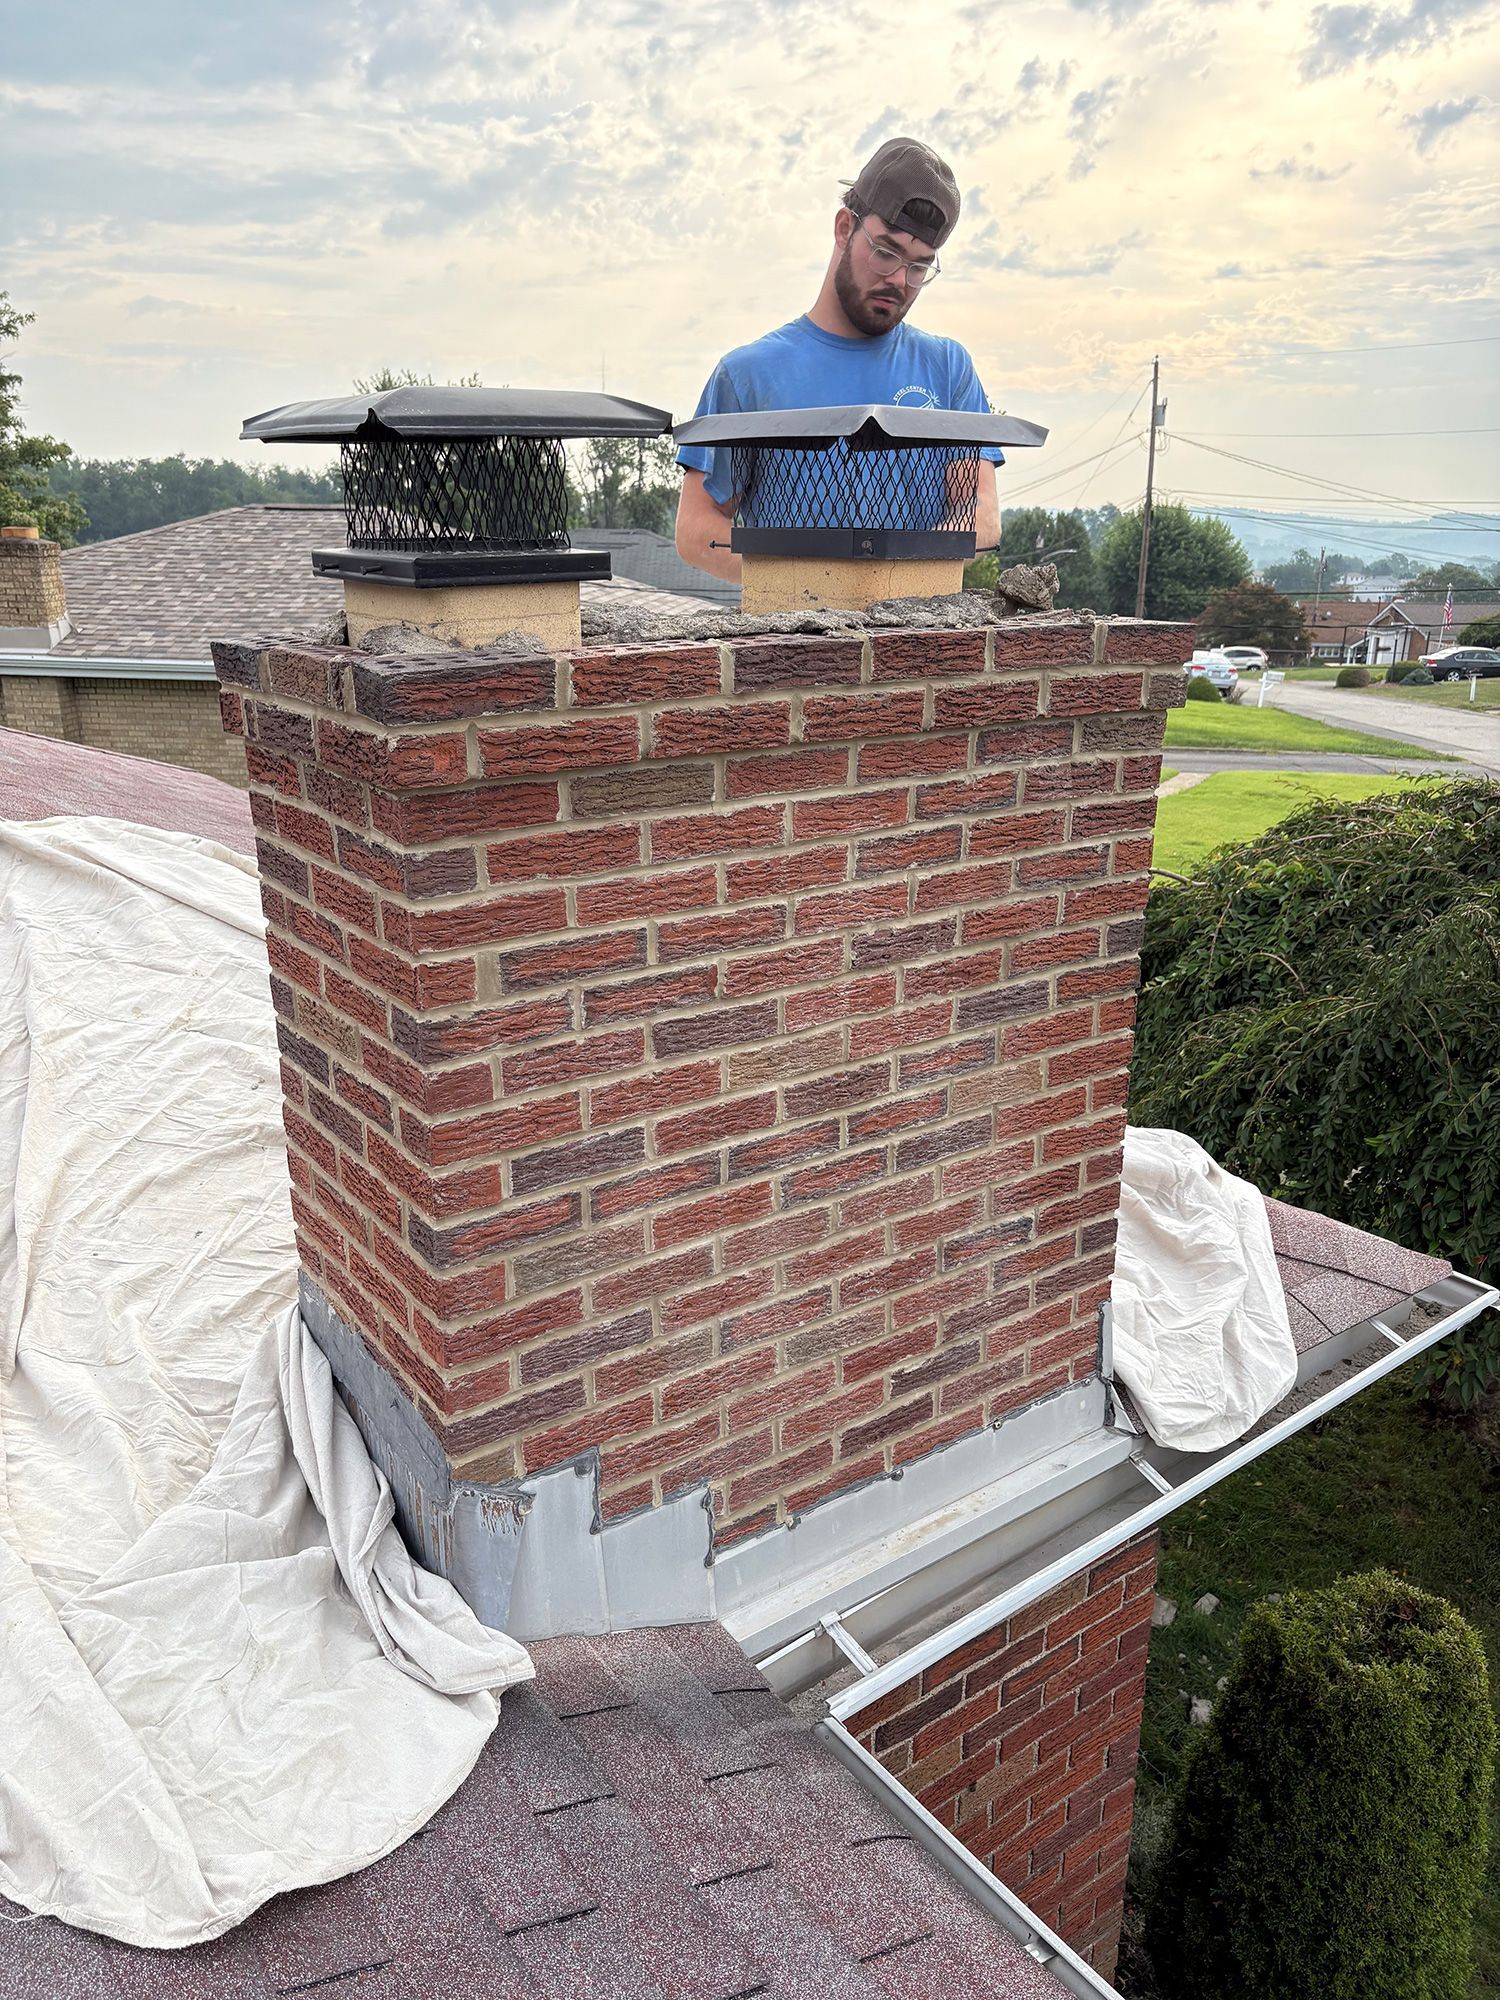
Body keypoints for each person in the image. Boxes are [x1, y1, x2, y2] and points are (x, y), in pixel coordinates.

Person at [675, 136, 1002, 583]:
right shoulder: (748, 374)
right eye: (886, 252)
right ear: (844, 228)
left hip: (920, 643)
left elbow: (980, 516)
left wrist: (892, 589)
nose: (899, 280)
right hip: (796, 642)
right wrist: (818, 585)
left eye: (920, 266)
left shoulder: (947, 367)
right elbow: (696, 531)